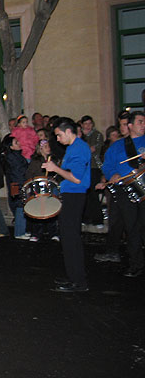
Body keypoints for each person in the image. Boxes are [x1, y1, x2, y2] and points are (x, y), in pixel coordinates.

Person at [42, 117, 90, 292]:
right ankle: (73, 277)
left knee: (71, 239)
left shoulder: (79, 148)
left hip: (74, 196)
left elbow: (76, 178)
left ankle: (78, 281)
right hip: (70, 195)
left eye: (59, 135)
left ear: (69, 131)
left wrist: (55, 169)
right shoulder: (73, 148)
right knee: (68, 238)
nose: (58, 139)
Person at [98, 111, 145, 277]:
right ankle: (136, 264)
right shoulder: (117, 146)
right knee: (132, 227)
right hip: (125, 190)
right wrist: (113, 175)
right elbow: (107, 166)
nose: (143, 124)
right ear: (130, 125)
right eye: (140, 122)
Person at [2, 134, 30, 239]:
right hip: (17, 184)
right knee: (19, 206)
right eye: (16, 143)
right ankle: (19, 232)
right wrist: (24, 184)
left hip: (18, 183)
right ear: (11, 146)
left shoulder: (16, 155)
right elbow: (18, 172)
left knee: (20, 206)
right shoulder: (12, 157)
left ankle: (21, 230)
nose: (19, 144)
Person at [80, 115, 104, 228]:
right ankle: (86, 217)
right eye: (85, 124)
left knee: (94, 193)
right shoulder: (79, 136)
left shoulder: (97, 135)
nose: (88, 126)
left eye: (89, 123)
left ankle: (98, 219)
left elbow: (95, 149)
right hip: (82, 167)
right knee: (84, 193)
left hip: (94, 166)